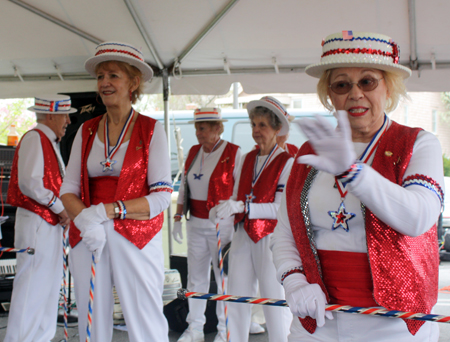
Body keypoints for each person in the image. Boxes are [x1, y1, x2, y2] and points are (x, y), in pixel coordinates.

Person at [271, 31, 443, 342]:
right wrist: (294, 281)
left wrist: (354, 173)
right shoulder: (307, 152)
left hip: (395, 325)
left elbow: (418, 218)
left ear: (388, 86)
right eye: (341, 84)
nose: (355, 93)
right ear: (329, 95)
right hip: (318, 321)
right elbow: (284, 232)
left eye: (367, 81)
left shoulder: (418, 144)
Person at [60, 41, 173, 342]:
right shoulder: (85, 130)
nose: (105, 83)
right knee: (90, 315)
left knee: (144, 316)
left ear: (133, 82)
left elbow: (162, 195)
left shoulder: (151, 130)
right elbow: (68, 189)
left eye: (113, 75)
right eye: (100, 77)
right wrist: (85, 220)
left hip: (136, 235)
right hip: (89, 234)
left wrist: (107, 211)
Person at [212, 96, 293, 342]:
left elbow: (279, 208)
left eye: (263, 126)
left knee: (274, 299)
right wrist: (227, 210)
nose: (256, 131)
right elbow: (237, 196)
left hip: (270, 239)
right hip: (241, 236)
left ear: (277, 129)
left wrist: (243, 207)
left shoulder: (286, 162)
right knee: (236, 296)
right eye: (253, 125)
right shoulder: (246, 158)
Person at [4, 94, 73, 342]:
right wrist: (59, 207)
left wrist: (61, 209)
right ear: (52, 115)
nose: (67, 121)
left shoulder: (48, 140)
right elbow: (30, 183)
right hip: (36, 220)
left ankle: (40, 337)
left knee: (48, 284)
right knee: (32, 283)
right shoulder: (35, 138)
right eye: (65, 115)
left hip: (48, 221)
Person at [173, 107, 242, 342]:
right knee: (195, 278)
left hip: (221, 225)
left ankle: (225, 330)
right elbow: (184, 186)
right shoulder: (193, 151)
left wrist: (229, 206)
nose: (197, 133)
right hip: (195, 225)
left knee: (224, 279)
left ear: (217, 128)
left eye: (202, 128)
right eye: (196, 128)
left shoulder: (234, 153)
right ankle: (195, 329)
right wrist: (176, 217)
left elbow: (240, 190)